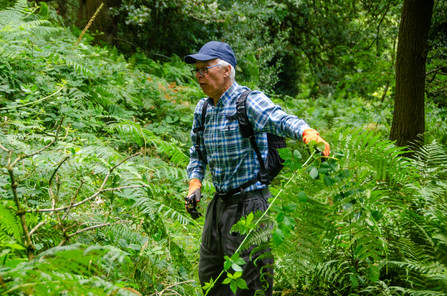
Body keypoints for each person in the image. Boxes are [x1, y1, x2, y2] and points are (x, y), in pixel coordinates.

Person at [184, 41, 330, 296]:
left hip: (250, 205)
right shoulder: (203, 108)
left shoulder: (248, 101)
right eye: (196, 71)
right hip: (218, 206)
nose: (199, 76)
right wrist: (195, 182)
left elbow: (280, 119)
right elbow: (197, 150)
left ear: (226, 69)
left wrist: (308, 133)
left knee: (251, 284)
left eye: (205, 69)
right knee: (211, 277)